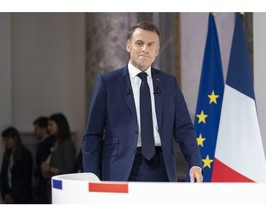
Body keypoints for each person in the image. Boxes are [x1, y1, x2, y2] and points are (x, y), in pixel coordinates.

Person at [82, 21, 203, 182]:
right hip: (120, 168)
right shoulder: (107, 83)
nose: (145, 49)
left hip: (162, 168)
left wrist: (195, 163)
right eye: (139, 43)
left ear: (157, 50)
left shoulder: (169, 83)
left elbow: (184, 129)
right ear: (128, 46)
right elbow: (92, 135)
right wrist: (91, 176)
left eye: (150, 45)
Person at [41, 113, 76, 203]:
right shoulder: (56, 141)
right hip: (52, 183)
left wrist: (50, 169)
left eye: (51, 125)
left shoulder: (67, 144)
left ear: (59, 125)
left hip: (61, 187)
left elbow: (69, 170)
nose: (48, 128)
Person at [0, 127, 33, 204]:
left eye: (7, 139)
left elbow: (26, 178)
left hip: (22, 197)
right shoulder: (7, 155)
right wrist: (4, 195)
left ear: (15, 138)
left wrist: (12, 195)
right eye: (4, 140)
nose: (5, 142)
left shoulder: (26, 155)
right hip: (8, 195)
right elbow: (2, 176)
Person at [32, 116, 54, 204]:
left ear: (44, 129)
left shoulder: (44, 144)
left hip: (44, 181)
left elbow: (43, 163)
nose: (35, 132)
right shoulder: (51, 142)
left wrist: (35, 173)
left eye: (36, 129)